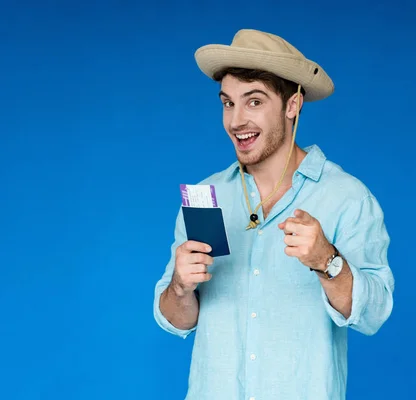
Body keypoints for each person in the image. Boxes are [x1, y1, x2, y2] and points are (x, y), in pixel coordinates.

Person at [153, 28, 395, 400]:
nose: (235, 121)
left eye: (253, 102)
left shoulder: (346, 197)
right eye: (227, 103)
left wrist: (327, 261)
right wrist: (180, 288)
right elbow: (178, 320)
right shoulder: (207, 197)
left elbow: (374, 314)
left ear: (292, 106)